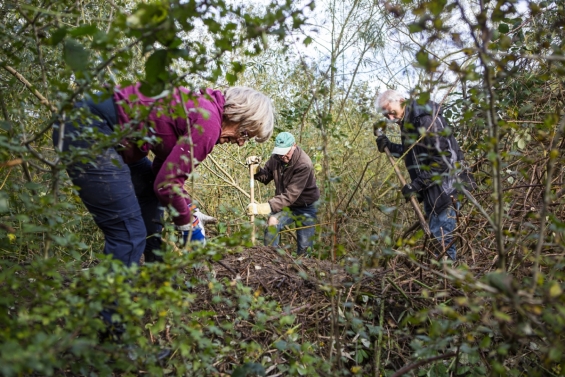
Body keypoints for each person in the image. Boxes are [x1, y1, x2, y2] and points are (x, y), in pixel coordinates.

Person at [53, 84, 275, 265]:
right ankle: (111, 315)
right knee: (129, 234)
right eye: (245, 133)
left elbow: (162, 175)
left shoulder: (201, 109)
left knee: (148, 190)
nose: (240, 142)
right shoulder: (209, 123)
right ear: (237, 114)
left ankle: (154, 280)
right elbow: (167, 185)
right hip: (90, 130)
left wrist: (190, 209)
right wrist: (188, 225)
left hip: (100, 130)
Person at [374, 89, 475, 261]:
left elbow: (443, 159)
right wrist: (389, 146)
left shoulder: (424, 118)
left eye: (391, 112)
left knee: (442, 240)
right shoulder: (408, 121)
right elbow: (413, 154)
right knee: (438, 240)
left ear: (401, 101)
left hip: (446, 187)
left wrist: (416, 185)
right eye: (386, 115)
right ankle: (443, 279)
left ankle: (447, 282)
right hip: (432, 188)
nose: (390, 118)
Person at [246, 132, 320, 255]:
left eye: (286, 151)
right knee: (272, 221)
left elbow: (290, 195)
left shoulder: (304, 164)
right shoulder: (276, 157)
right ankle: (269, 260)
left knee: (304, 248)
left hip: (306, 207)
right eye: (280, 152)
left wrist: (263, 207)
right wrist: (257, 170)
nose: (283, 155)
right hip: (286, 206)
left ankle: (303, 270)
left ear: (294, 146)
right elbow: (266, 177)